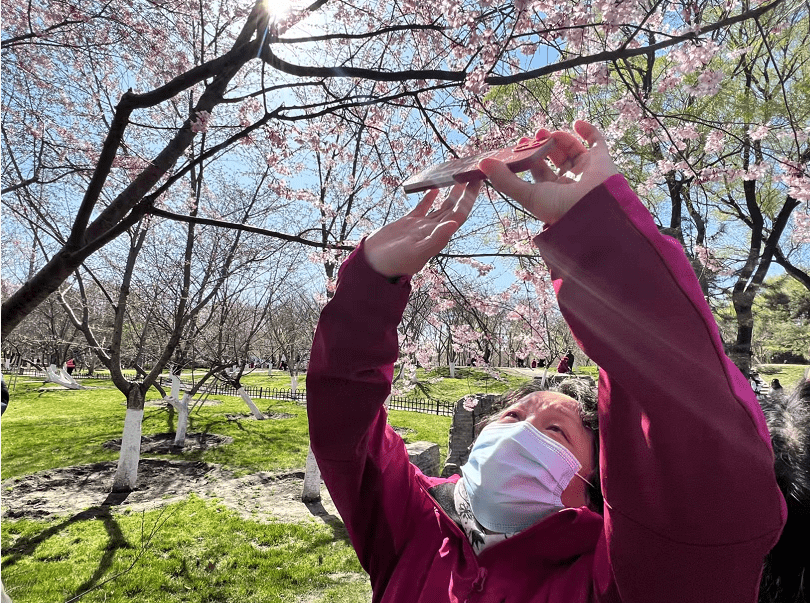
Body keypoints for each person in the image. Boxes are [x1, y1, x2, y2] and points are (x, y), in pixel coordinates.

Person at [306, 121, 786, 602]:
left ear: (601, 482)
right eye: (512, 416)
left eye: (555, 431)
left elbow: (694, 439)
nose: (518, 432)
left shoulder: (621, 582)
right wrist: (370, 284)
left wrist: (599, 235)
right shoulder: (415, 527)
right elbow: (345, 423)